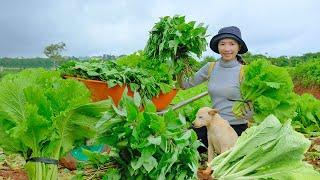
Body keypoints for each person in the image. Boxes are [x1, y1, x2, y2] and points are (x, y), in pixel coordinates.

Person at [178, 26, 253, 152]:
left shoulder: (245, 71)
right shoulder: (210, 67)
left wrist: (252, 113)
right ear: (218, 47)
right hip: (211, 126)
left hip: (235, 127)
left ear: (238, 47)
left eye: (232, 44)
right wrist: (179, 62)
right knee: (184, 145)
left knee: (227, 156)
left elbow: (256, 101)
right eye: (222, 44)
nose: (227, 48)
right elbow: (185, 85)